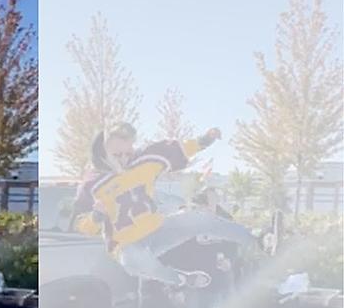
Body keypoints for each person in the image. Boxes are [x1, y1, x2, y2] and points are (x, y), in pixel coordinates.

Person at [70, 123, 257, 290]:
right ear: (102, 153)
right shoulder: (92, 184)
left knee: (199, 219)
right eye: (117, 155)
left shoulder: (145, 161)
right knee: (137, 260)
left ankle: (255, 241)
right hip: (126, 244)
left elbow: (177, 149)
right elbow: (81, 226)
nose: (124, 159)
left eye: (128, 153)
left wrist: (205, 140)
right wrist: (96, 216)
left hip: (157, 230)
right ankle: (178, 278)